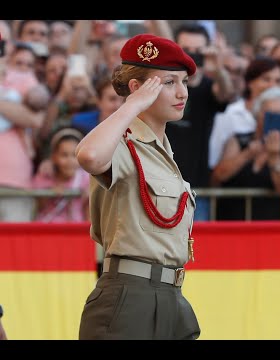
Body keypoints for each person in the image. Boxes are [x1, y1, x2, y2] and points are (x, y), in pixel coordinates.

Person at [75, 34, 200, 340]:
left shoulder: (163, 153)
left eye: (183, 82)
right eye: (168, 82)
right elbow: (89, 156)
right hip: (129, 296)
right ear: (136, 88)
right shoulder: (123, 143)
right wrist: (131, 107)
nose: (181, 92)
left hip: (172, 295)